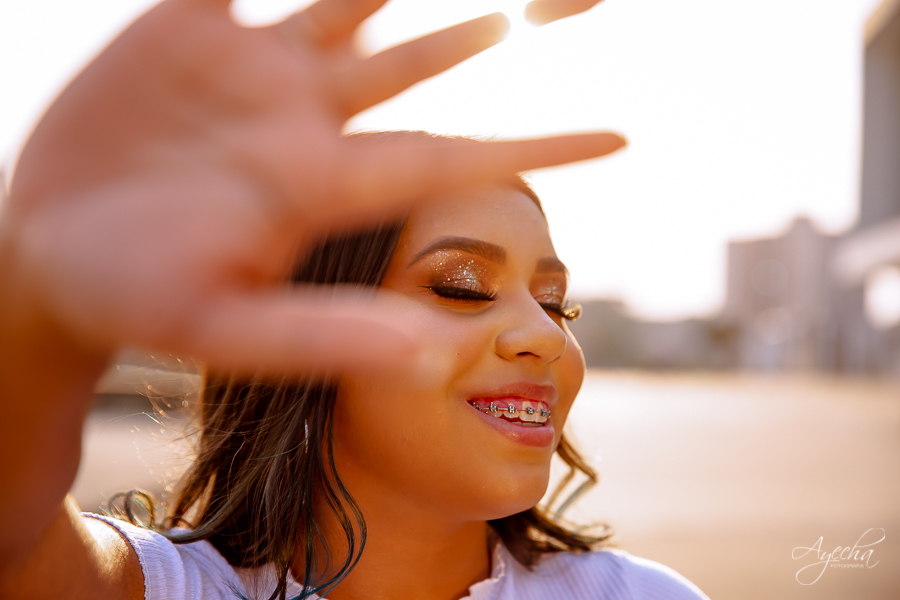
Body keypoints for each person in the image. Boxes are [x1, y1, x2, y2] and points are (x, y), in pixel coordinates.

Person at [0, 1, 708, 599]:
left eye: (556, 302)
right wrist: (38, 309)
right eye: (461, 287)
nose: (544, 334)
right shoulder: (158, 586)